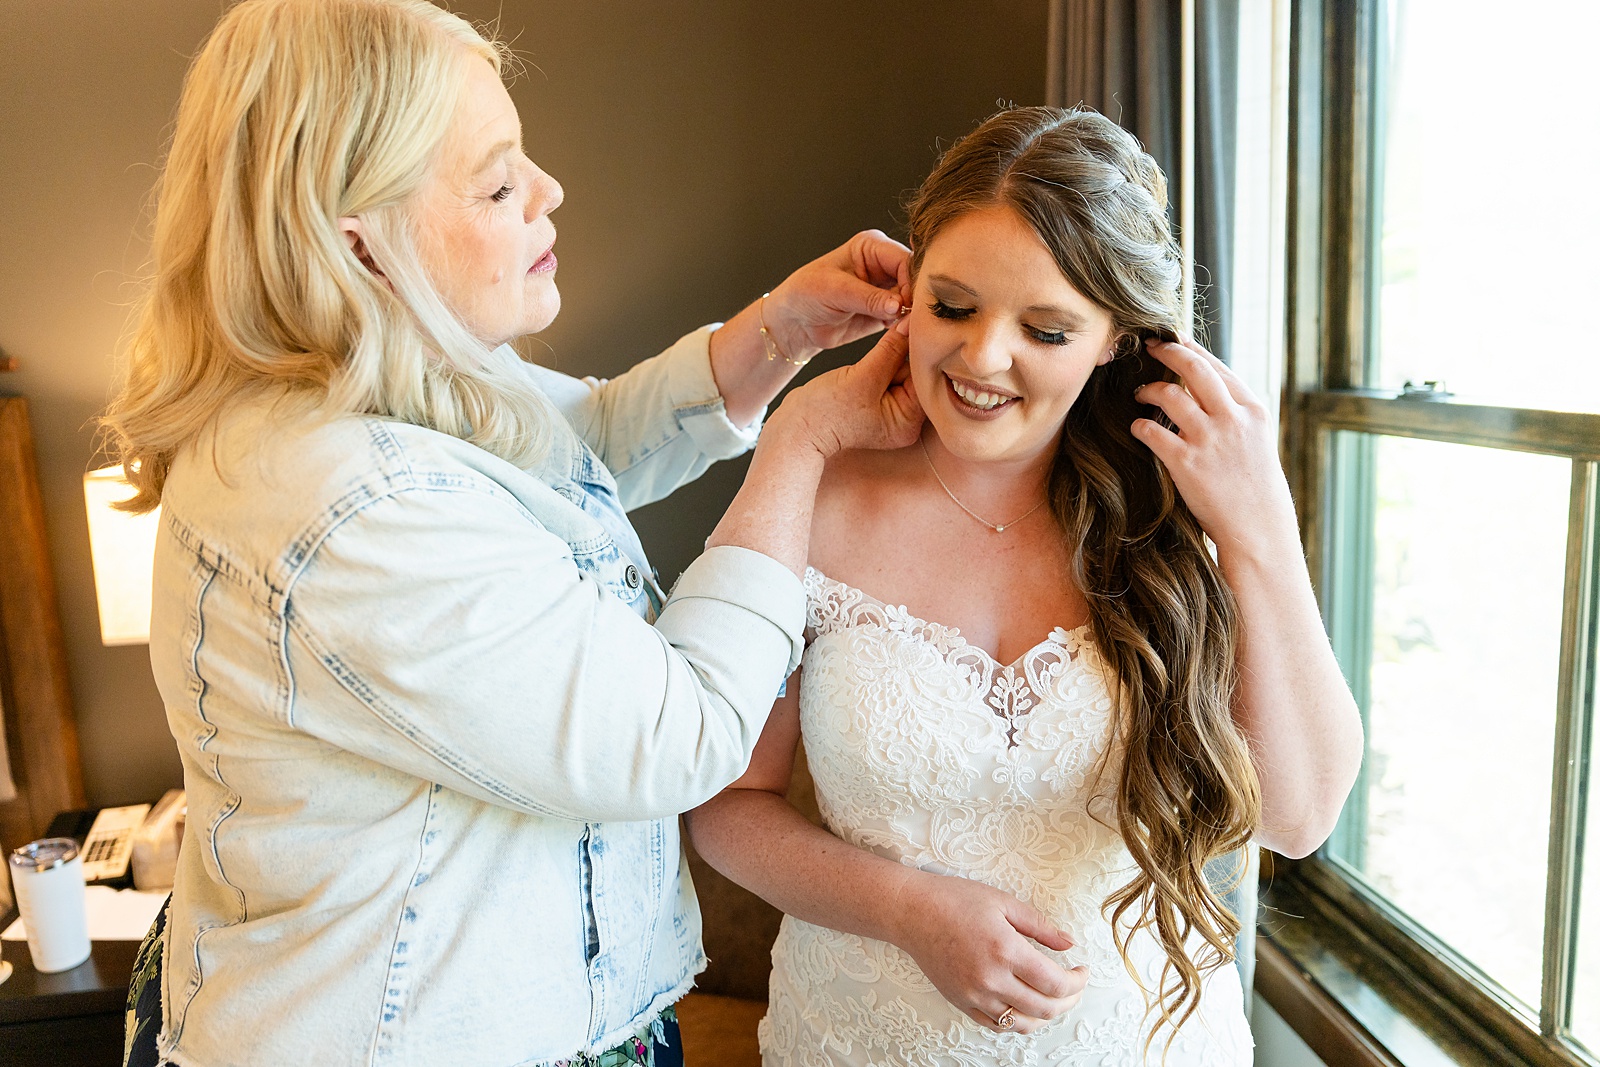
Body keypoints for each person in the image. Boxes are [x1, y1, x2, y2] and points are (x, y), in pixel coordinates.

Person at [101, 2, 923, 1065]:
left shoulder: (394, 370)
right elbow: (679, 732)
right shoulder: (345, 503)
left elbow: (576, 441)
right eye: (496, 184)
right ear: (360, 244)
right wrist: (802, 446)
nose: (548, 192)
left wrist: (777, 334)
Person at [685, 106, 1364, 1065]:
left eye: (1045, 328)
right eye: (952, 306)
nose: (982, 358)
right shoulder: (819, 495)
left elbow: (1298, 818)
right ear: (908, 291)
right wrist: (909, 909)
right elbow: (721, 802)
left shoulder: (1181, 511)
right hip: (861, 1038)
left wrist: (1261, 532)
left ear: (1115, 339)